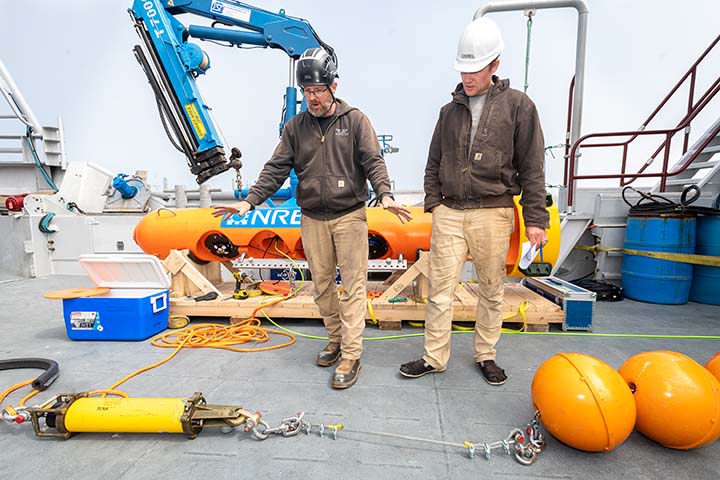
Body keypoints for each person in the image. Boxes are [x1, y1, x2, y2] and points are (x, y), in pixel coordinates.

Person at [213, 48, 412, 389]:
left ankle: (351, 354)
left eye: (318, 91)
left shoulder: (356, 120)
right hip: (312, 218)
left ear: (333, 86)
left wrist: (386, 193)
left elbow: (373, 161)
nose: (312, 98)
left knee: (352, 288)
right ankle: (335, 340)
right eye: (307, 92)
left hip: (350, 216)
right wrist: (249, 203)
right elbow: (275, 168)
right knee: (322, 287)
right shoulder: (296, 127)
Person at [399, 17, 549, 385]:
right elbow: (433, 160)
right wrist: (434, 203)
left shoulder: (519, 107)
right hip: (450, 212)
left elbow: (532, 166)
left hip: (493, 212)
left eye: (475, 69)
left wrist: (536, 220)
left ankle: (486, 354)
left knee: (491, 289)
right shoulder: (448, 112)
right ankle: (434, 356)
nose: (468, 77)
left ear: (495, 65)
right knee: (440, 290)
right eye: (463, 69)